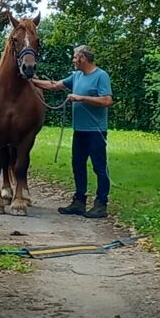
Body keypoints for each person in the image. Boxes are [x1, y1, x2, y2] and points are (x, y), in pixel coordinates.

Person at [33, 45, 113, 218]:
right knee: (78, 165)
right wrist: (31, 80)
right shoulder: (76, 76)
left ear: (83, 58)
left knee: (99, 167)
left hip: (96, 131)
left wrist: (81, 98)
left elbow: (107, 100)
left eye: (75, 57)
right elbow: (54, 86)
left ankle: (101, 204)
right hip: (80, 131)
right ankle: (79, 201)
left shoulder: (101, 76)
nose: (73, 60)